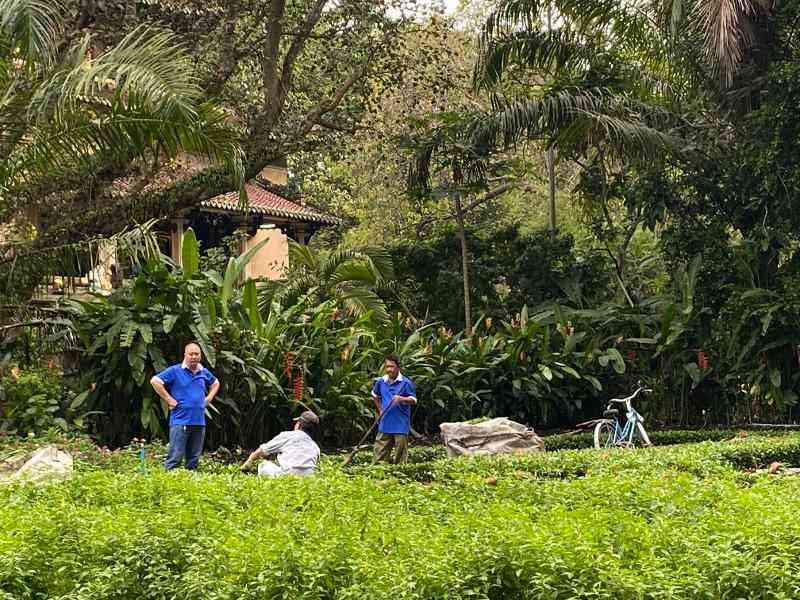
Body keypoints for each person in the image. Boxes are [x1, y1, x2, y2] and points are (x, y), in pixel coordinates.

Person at [150, 342, 220, 470]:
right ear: (185, 355)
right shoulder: (175, 370)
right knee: (175, 457)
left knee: (193, 459)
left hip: (199, 421)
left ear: (200, 356)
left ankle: (189, 481)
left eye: (196, 354)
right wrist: (169, 400)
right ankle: (168, 480)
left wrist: (209, 398)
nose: (194, 357)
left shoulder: (203, 371)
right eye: (191, 354)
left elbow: (215, 383)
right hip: (180, 421)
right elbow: (155, 381)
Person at [240, 410, 321, 477]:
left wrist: (249, 461)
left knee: (263, 465)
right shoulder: (315, 447)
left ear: (298, 425)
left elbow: (262, 450)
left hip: (287, 476)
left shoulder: (287, 435)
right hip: (307, 478)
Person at [372, 354, 417, 464]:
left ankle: (398, 472)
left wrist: (401, 398)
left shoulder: (406, 383)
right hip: (385, 422)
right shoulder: (381, 381)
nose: (389, 369)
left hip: (400, 424)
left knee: (400, 458)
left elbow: (414, 400)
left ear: (398, 367)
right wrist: (380, 410)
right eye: (387, 367)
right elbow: (374, 395)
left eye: (391, 366)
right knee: (379, 455)